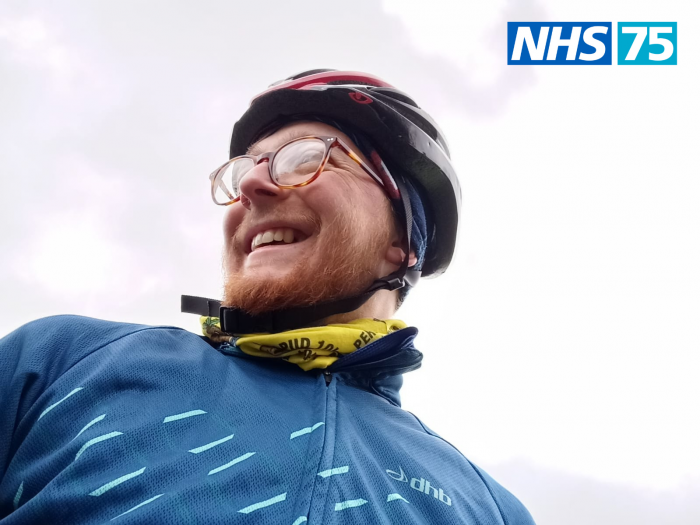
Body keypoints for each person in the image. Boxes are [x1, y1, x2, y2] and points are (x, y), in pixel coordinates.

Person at [0, 70, 535, 524]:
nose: (253, 186)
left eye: (305, 159)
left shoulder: (485, 508)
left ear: (403, 242)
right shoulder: (60, 362)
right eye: (246, 168)